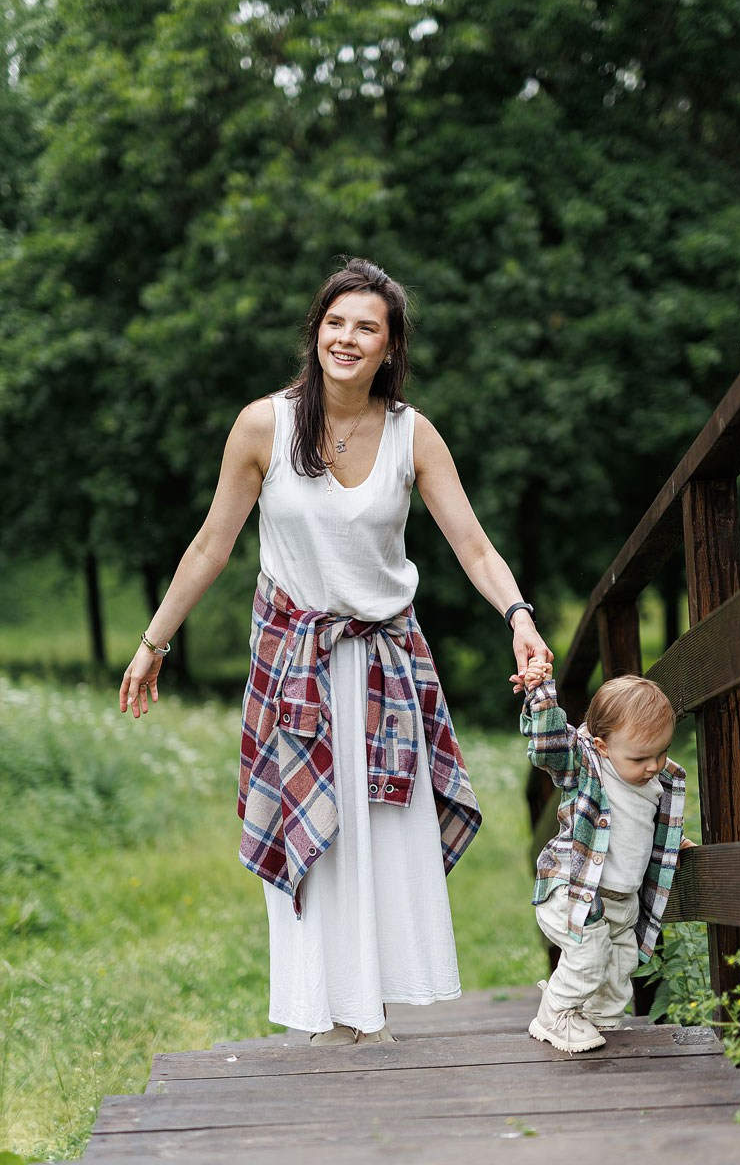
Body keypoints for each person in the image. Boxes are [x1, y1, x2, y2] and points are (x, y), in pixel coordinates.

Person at [119, 257, 552, 1045]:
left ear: (389, 348)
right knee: (312, 837)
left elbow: (474, 547)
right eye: (336, 322)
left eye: (367, 328)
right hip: (295, 666)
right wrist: (155, 641)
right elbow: (213, 545)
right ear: (316, 330)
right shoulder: (264, 426)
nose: (347, 339)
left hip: (386, 667)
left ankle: (373, 1009)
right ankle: (320, 1012)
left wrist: (518, 614)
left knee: (385, 834)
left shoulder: (412, 434)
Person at [517, 664, 691, 1054]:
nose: (653, 765)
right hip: (576, 891)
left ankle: (592, 1016)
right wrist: (540, 692)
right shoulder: (588, 767)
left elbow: (649, 828)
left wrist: (674, 844)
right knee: (590, 954)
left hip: (621, 901)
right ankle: (554, 1014)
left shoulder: (656, 782)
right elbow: (550, 745)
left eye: (662, 753)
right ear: (603, 746)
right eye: (641, 757)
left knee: (621, 963)